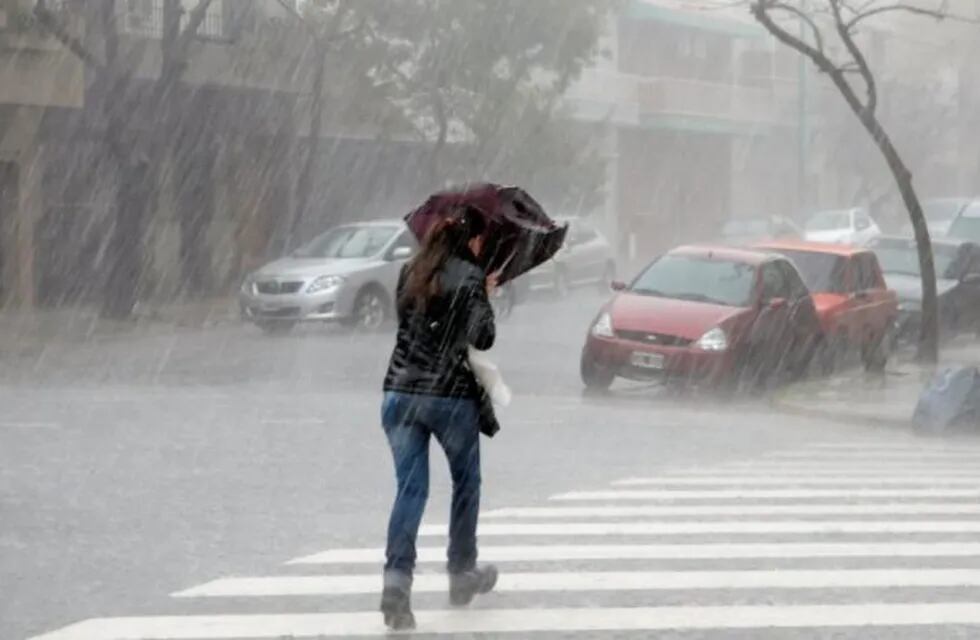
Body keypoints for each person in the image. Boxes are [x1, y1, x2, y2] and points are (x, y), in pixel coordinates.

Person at [379, 205, 499, 630]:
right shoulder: (469, 275)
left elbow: (411, 324)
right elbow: (482, 336)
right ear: (471, 239)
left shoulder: (410, 270)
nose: (482, 246)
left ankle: (396, 586)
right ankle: (461, 572)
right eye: (482, 240)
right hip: (448, 398)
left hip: (398, 394)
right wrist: (484, 292)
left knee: (410, 492)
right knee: (466, 483)